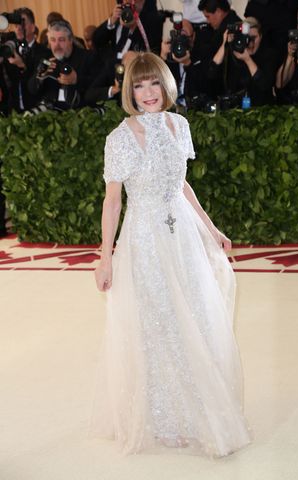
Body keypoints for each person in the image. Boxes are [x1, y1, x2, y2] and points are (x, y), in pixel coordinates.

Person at [92, 52, 251, 457]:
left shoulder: (179, 125)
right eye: (140, 85)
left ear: (166, 85)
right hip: (144, 239)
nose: (148, 93)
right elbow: (112, 202)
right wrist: (106, 257)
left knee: (195, 314)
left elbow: (182, 186)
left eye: (155, 83)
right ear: (130, 90)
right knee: (158, 322)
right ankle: (164, 415)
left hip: (182, 236)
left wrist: (211, 229)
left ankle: (198, 404)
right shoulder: (119, 139)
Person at [28, 20, 99, 112]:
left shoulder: (87, 57)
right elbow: (31, 90)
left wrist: (76, 79)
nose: (57, 45)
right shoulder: (45, 58)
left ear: (70, 40)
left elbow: (97, 85)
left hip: (79, 112)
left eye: (61, 40)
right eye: (53, 40)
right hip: (50, 112)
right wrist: (39, 76)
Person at [208, 17, 277, 106]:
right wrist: (225, 43)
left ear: (260, 36)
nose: (250, 43)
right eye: (247, 38)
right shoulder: (234, 52)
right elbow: (211, 73)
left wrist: (247, 60)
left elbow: (264, 85)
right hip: (235, 109)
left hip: (261, 108)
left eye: (253, 38)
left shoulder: (269, 54)